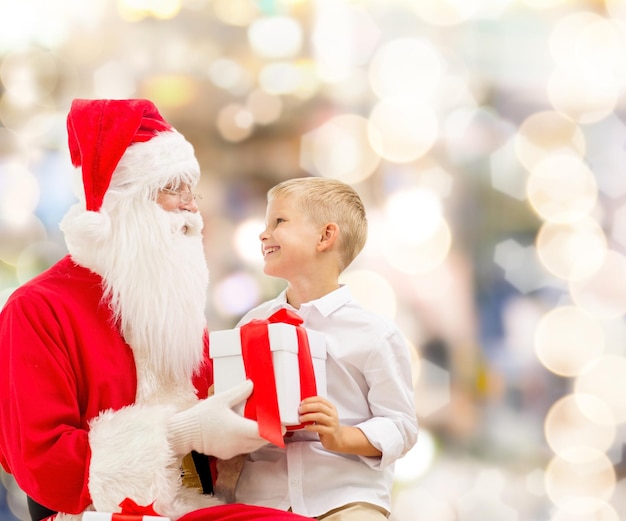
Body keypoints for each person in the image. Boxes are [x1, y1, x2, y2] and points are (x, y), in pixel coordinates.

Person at [0, 99, 314, 521]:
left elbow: (215, 438)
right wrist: (181, 433)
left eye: (192, 190)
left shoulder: (171, 305)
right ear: (124, 202)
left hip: (200, 505)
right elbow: (44, 468)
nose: (191, 208)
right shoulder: (38, 309)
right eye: (172, 189)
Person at [227, 177, 419, 520]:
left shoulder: (375, 334)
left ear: (325, 236)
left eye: (279, 222)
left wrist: (342, 436)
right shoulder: (251, 326)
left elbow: (401, 425)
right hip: (263, 498)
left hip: (344, 498)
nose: (263, 233)